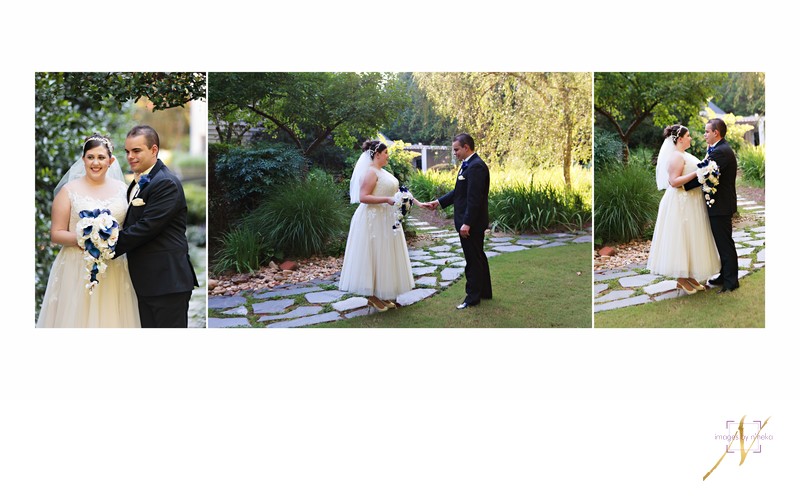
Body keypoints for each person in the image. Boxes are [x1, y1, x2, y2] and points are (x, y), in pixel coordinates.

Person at [36, 134, 141, 327]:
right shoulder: (68, 191)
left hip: (113, 268)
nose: (95, 162)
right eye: (90, 157)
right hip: (76, 266)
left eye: (101, 157)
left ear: (110, 161)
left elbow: (128, 228)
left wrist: (109, 240)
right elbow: (56, 232)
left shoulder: (123, 190)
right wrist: (88, 238)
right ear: (83, 159)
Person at [113, 125, 199, 327]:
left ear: (153, 150)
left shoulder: (165, 183)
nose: (130, 157)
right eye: (127, 151)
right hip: (146, 281)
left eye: (136, 151)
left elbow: (146, 227)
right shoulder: (138, 182)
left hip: (167, 282)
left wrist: (104, 247)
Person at [338, 140, 421, 311]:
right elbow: (363, 197)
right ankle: (372, 296)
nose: (388, 156)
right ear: (377, 155)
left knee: (385, 255)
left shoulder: (383, 172)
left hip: (387, 218)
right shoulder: (370, 173)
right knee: (373, 255)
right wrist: (387, 200)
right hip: (372, 219)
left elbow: (397, 191)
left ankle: (382, 295)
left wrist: (409, 201)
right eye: (386, 153)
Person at [647, 124, 720, 294]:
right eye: (688, 136)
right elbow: (673, 181)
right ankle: (680, 279)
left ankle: (689, 276)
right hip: (680, 203)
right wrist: (697, 173)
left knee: (692, 238)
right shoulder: (676, 157)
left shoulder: (686, 155)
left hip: (692, 201)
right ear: (680, 139)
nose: (691, 138)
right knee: (682, 238)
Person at [423, 133, 492, 309]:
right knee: (478, 257)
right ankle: (484, 292)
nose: (454, 153)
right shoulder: (467, 165)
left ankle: (472, 298)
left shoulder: (476, 166)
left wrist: (467, 223)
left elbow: (474, 199)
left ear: (466, 147)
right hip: (470, 222)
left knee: (473, 260)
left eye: (456, 149)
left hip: (472, 223)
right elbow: (459, 192)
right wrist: (438, 203)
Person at [682, 118, 740, 293]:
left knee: (725, 244)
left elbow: (704, 174)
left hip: (721, 205)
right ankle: (724, 275)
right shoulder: (717, 149)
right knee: (721, 243)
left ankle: (731, 282)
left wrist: (682, 185)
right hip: (719, 204)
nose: (704, 134)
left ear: (716, 133)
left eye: (707, 131)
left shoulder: (720, 152)